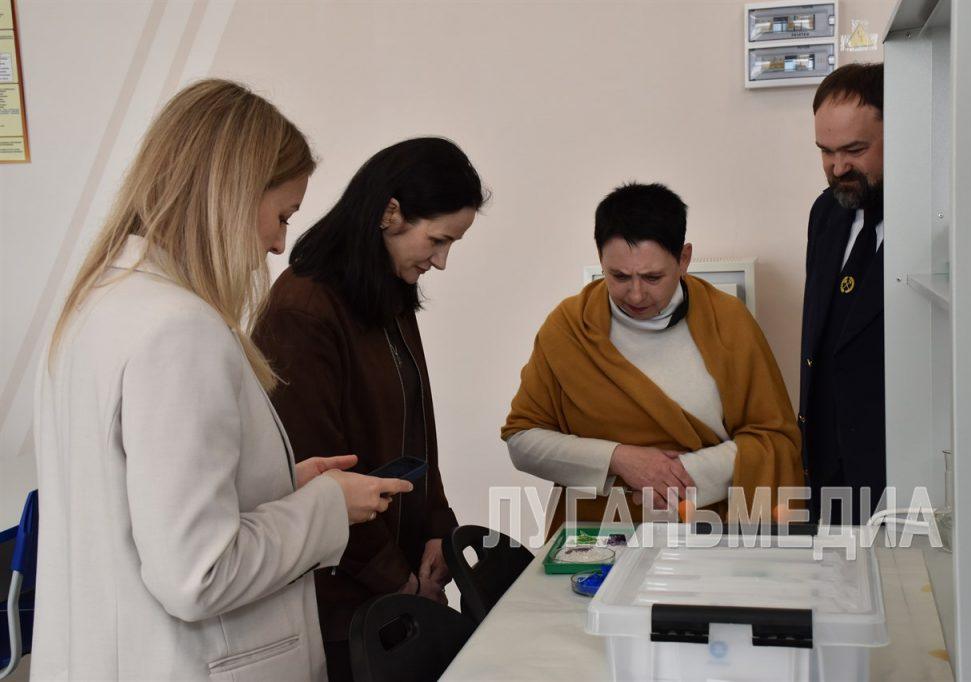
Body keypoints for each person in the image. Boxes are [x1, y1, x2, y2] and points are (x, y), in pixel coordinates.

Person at [31, 79, 412, 681]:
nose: (279, 244)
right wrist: (326, 508)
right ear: (231, 194)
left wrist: (277, 485)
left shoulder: (99, 303)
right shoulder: (178, 329)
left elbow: (138, 509)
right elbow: (198, 574)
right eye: (282, 215)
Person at [253, 137, 485, 681]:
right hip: (344, 606)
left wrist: (437, 530)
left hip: (397, 590)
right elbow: (320, 476)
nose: (441, 261)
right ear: (389, 213)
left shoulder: (388, 293)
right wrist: (400, 582)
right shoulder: (303, 309)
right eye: (437, 240)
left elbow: (417, 431)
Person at [503, 182, 803, 529]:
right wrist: (617, 459)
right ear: (600, 258)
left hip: (705, 528)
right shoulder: (569, 327)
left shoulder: (729, 321)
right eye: (619, 276)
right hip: (597, 532)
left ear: (684, 259)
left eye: (652, 277)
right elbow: (522, 439)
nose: (636, 294)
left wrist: (678, 475)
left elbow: (773, 440)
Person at [800, 63, 885, 523]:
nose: (838, 168)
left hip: (899, 477)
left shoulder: (939, 224)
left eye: (855, 150)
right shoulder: (825, 213)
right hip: (827, 475)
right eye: (825, 152)